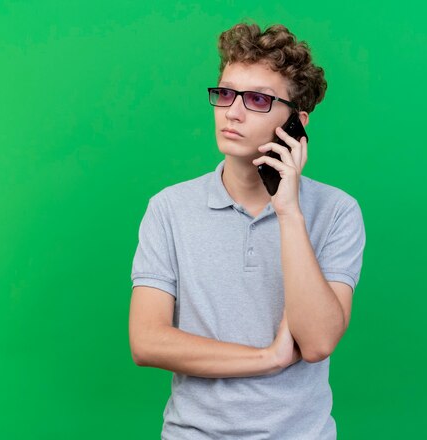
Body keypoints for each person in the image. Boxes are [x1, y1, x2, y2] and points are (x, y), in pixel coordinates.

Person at [129, 22, 366, 439]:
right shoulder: (169, 208)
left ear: (297, 122)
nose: (232, 112)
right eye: (225, 94)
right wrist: (267, 358)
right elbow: (147, 341)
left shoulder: (337, 211)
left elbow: (317, 342)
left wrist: (289, 210)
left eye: (257, 99)